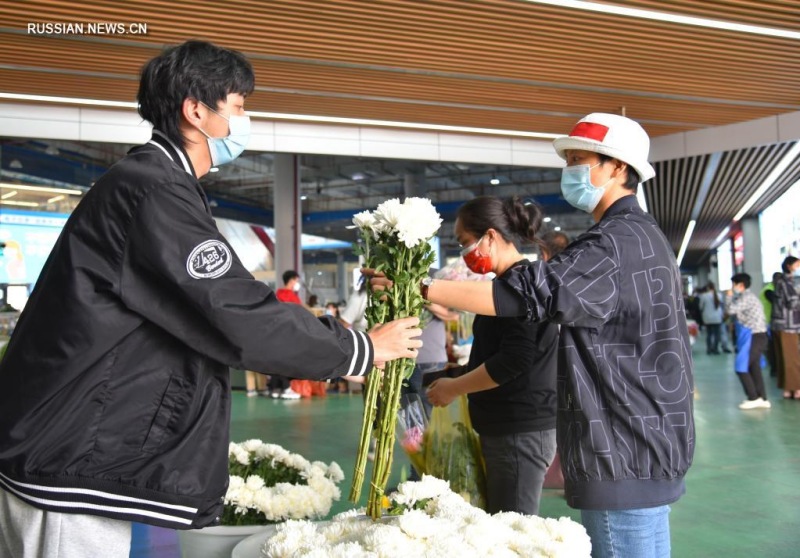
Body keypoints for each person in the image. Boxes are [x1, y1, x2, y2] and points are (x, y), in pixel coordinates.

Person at [0, 40, 422, 558]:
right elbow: (236, 311)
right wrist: (360, 348)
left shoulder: (157, 184)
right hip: (69, 455)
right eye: (239, 106)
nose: (245, 120)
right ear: (197, 111)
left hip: (78, 445)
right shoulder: (154, 190)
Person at [415, 113, 694, 557]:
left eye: (579, 160)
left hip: (618, 448)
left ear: (618, 167)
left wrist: (420, 287)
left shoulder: (614, 243)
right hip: (645, 441)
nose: (570, 172)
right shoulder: (644, 236)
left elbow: (528, 294)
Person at [427, 196, 558, 516]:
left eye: (465, 242)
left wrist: (454, 388)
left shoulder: (520, 289)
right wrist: (452, 374)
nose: (463, 253)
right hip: (507, 426)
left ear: (490, 237)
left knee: (514, 530)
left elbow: (514, 360)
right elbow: (498, 353)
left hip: (519, 430)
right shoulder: (505, 287)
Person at [725, 273, 770, 409]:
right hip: (756, 335)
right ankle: (761, 397)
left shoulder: (747, 297)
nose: (732, 287)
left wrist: (728, 297)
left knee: (741, 367)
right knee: (753, 366)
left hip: (755, 336)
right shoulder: (746, 297)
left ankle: (753, 397)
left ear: (741, 285)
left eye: (734, 284)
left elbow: (730, 310)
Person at [267, 270, 304, 399]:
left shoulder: (278, 293)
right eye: (297, 280)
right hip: (289, 332)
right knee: (288, 360)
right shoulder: (291, 296)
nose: (297, 283)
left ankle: (275, 388)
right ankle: (286, 388)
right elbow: (299, 314)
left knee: (278, 359)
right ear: (292, 280)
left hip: (278, 331)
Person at [772, 256, 800, 399]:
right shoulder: (787, 282)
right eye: (797, 264)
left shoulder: (779, 281)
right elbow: (793, 303)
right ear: (789, 266)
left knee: (783, 358)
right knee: (792, 358)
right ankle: (796, 389)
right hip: (788, 325)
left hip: (779, 324)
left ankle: (787, 389)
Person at [698, 282, 725, 354]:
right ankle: (715, 349)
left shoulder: (704, 296)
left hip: (707, 318)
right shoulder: (719, 295)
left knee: (709, 334)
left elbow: (700, 307)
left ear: (707, 288)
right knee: (717, 334)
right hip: (717, 317)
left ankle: (709, 349)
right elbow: (721, 306)